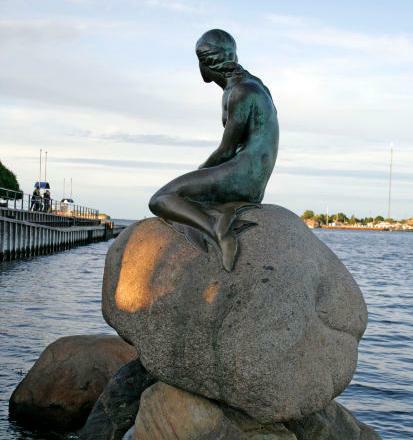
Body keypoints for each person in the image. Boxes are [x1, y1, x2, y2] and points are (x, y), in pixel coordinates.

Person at [149, 29, 279, 271]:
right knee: (185, 191)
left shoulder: (240, 92)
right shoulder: (254, 85)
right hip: (253, 176)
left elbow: (226, 151)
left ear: (204, 64)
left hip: (244, 176)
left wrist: (198, 173)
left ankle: (216, 228)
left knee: (161, 199)